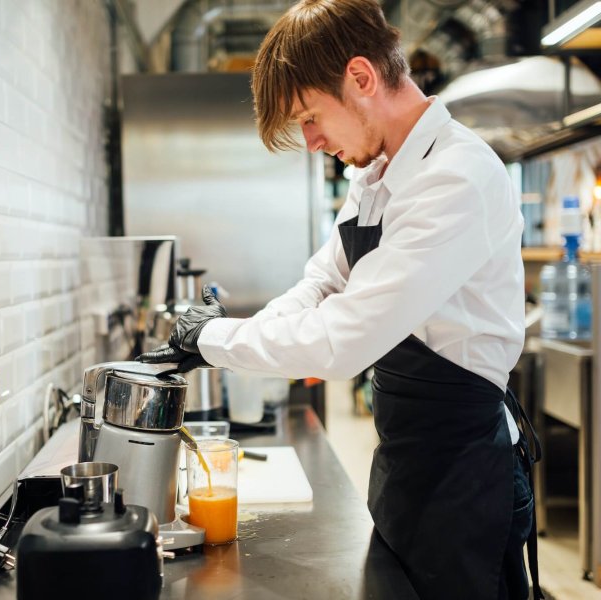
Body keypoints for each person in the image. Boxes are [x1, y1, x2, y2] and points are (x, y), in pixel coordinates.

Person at [138, 0, 542, 598]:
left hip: (465, 475)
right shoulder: (374, 178)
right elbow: (321, 285)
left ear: (360, 77)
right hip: (406, 461)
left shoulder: (456, 178)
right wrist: (224, 331)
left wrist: (215, 340)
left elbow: (340, 341)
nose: (309, 142)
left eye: (309, 116)